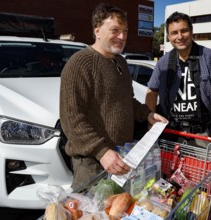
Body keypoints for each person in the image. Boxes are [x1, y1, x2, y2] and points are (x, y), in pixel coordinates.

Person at [60, 3, 167, 190]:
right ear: (97, 30)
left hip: (121, 155)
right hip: (92, 162)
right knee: (90, 212)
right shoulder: (80, 63)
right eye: (115, 30)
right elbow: (71, 119)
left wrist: (147, 114)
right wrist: (101, 152)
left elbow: (127, 101)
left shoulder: (121, 63)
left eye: (125, 31)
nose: (122, 37)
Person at [146, 11, 211, 147]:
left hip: (203, 135)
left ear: (191, 32)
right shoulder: (163, 62)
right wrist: (150, 120)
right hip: (170, 132)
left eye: (184, 31)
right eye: (174, 33)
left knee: (204, 168)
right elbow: (151, 92)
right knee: (166, 168)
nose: (180, 36)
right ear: (168, 36)